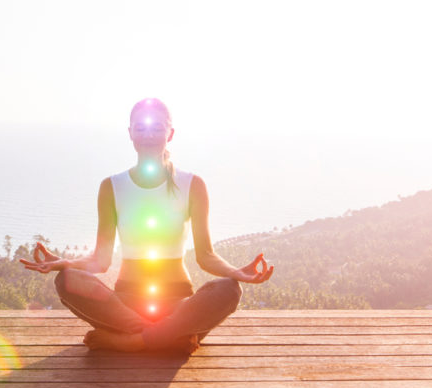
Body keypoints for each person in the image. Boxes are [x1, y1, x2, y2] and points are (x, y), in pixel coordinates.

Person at [20, 98, 274, 354]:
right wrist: (65, 263)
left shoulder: (192, 185)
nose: (148, 135)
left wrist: (237, 273)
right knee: (67, 281)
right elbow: (100, 260)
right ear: (130, 133)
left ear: (170, 133)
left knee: (229, 289)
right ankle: (167, 338)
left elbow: (206, 256)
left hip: (178, 305)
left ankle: (133, 341)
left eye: (157, 128)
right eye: (140, 128)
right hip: (124, 306)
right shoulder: (112, 187)